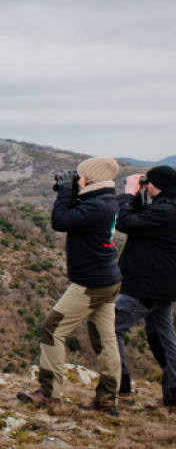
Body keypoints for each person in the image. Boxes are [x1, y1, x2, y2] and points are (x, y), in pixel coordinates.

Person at [18, 157, 122, 416]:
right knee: (105, 339)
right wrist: (74, 191)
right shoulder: (107, 201)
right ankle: (108, 400)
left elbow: (60, 220)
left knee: (52, 329)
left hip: (91, 283)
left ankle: (48, 393)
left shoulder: (97, 206)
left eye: (81, 176)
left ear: (91, 178)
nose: (77, 179)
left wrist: (65, 192)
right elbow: (77, 215)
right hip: (108, 279)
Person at [114, 165, 176, 408]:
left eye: (147, 182)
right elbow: (142, 222)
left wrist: (128, 194)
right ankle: (173, 394)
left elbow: (125, 222)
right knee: (163, 337)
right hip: (161, 284)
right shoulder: (168, 207)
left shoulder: (167, 210)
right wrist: (139, 197)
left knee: (108, 328)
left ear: (156, 184)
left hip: (146, 286)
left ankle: (122, 388)